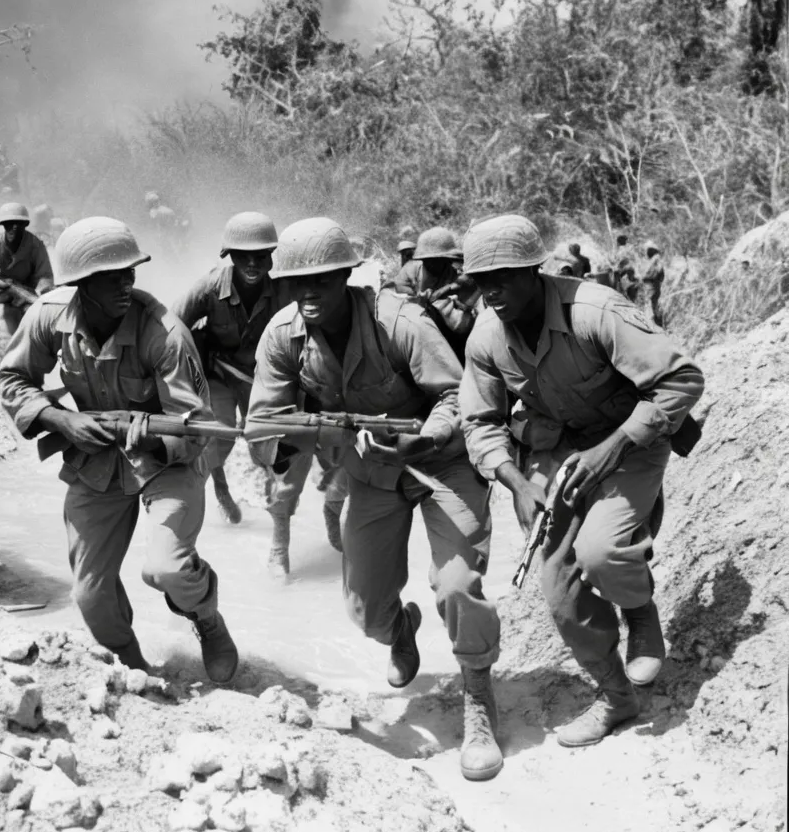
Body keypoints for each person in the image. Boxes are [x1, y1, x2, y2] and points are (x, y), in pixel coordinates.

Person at [247, 218, 503, 782]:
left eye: (321, 280)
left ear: (346, 277)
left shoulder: (399, 321)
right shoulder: (281, 337)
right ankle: (400, 631)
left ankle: (478, 699)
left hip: (441, 463)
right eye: (296, 284)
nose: (308, 294)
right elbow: (262, 425)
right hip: (369, 474)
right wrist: (308, 435)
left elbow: (458, 400)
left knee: (457, 584)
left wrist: (426, 438)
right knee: (364, 611)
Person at [458, 214, 704, 748]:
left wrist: (611, 448)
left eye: (501, 276)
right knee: (558, 586)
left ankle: (640, 614)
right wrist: (517, 484)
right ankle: (616, 698)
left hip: (631, 439)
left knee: (602, 551)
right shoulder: (485, 336)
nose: (490, 291)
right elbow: (478, 423)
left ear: (533, 271)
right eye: (479, 280)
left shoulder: (594, 309)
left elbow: (682, 378)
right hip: (557, 449)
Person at [0, 217, 239, 683]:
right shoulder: (49, 315)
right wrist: (59, 418)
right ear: (80, 285)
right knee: (89, 595)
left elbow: (198, 425)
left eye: (129, 273)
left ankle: (207, 620)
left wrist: (148, 433)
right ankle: (133, 664)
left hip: (168, 461)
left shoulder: (163, 332)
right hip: (96, 463)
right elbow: (11, 379)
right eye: (111, 278)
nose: (125, 284)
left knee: (167, 569)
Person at [171, 213, 345, 576]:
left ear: (272, 257)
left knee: (273, 446)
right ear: (228, 256)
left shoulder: (284, 290)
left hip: (268, 379)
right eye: (242, 256)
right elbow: (171, 327)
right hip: (219, 375)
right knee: (215, 438)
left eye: (260, 256)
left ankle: (290, 504)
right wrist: (180, 377)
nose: (252, 264)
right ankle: (212, 496)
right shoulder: (208, 288)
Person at [389, 226, 478, 364]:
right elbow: (397, 296)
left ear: (447, 259)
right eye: (428, 260)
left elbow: (470, 283)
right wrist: (417, 299)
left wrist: (449, 289)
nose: (433, 264)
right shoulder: (409, 271)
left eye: (438, 259)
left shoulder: (455, 273)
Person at [0, 203, 55, 338]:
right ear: (3, 225)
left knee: (36, 313)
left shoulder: (35, 245)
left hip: (24, 289)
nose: (14, 228)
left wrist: (44, 295)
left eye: (18, 224)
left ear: (25, 225)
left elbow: (44, 274)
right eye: (9, 224)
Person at [640, 242, 665, 326]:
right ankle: (655, 322)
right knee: (652, 304)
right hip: (652, 285)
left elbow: (660, 271)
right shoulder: (653, 260)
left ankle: (653, 324)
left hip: (652, 284)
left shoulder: (655, 259)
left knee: (650, 304)